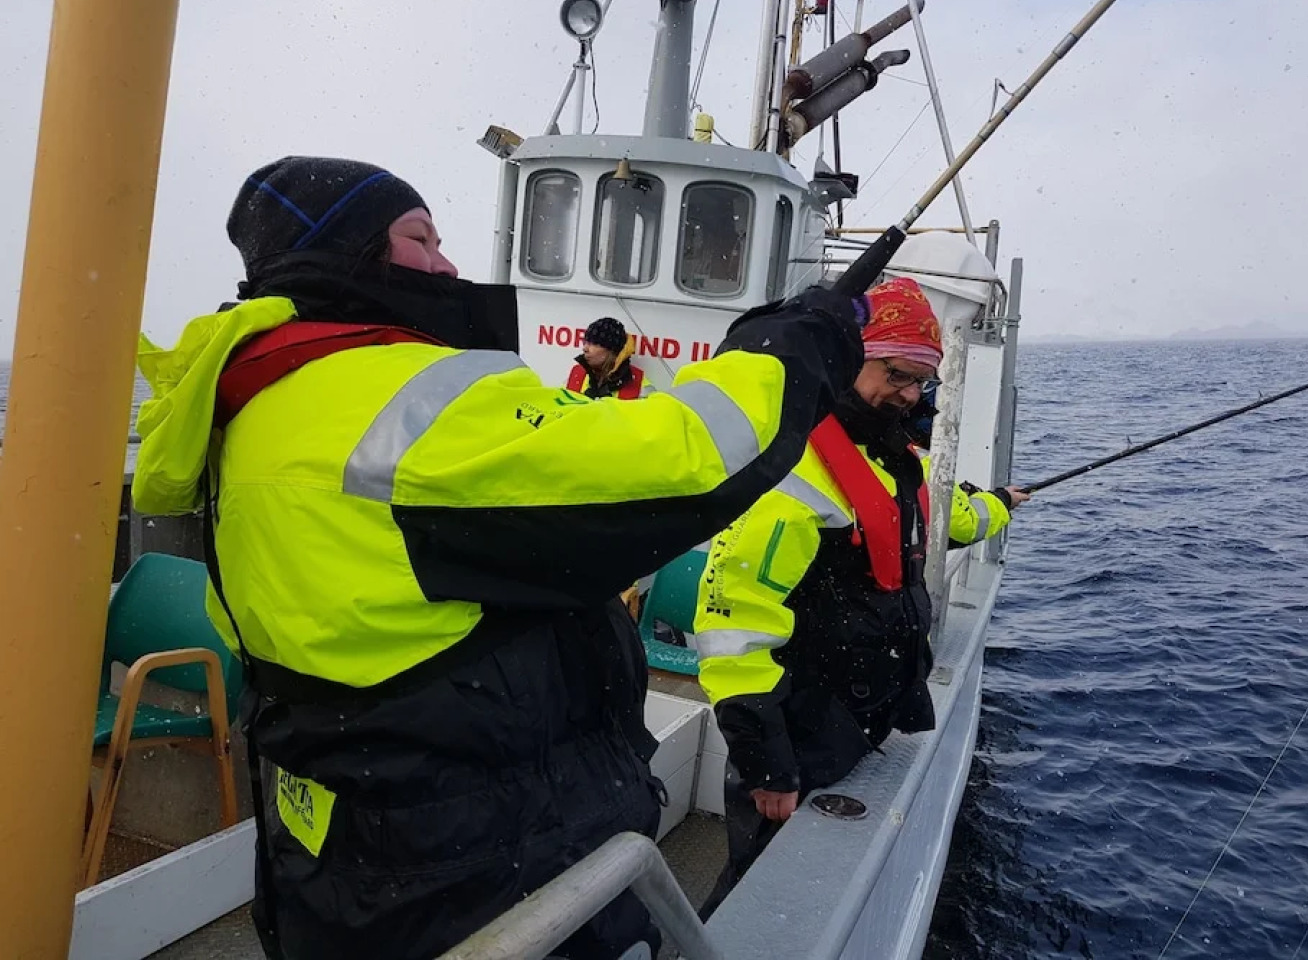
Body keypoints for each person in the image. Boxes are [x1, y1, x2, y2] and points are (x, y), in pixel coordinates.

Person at [131, 156, 866, 960]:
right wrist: (789, 344)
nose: (446, 264)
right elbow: (691, 459)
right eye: (419, 237)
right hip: (474, 850)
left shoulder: (257, 400)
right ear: (345, 247)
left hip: (336, 834)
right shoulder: (390, 399)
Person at [692, 276, 1031, 917]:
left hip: (857, 717)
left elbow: (952, 515)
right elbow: (731, 627)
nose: (908, 395)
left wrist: (1001, 507)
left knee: (797, 895)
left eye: (920, 382)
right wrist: (768, 766)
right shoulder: (791, 472)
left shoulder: (894, 454)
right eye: (897, 374)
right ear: (850, 359)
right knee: (755, 890)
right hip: (800, 729)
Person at [568, 316, 650, 399]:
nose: (585, 348)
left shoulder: (639, 385)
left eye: (594, 343)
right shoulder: (576, 375)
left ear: (612, 351)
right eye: (585, 342)